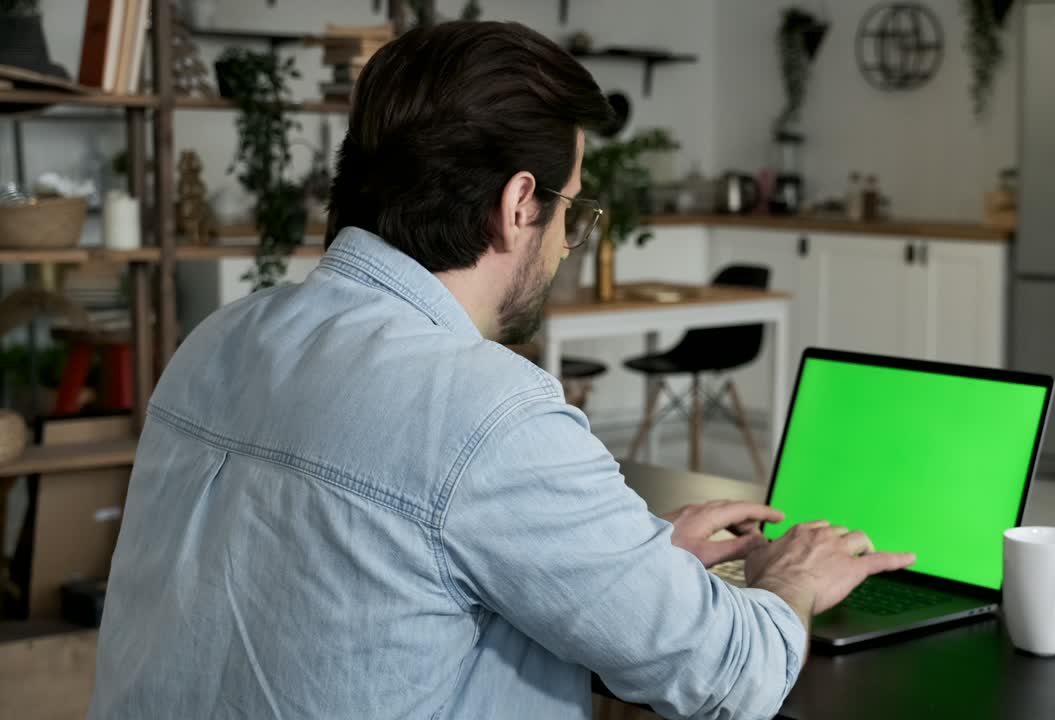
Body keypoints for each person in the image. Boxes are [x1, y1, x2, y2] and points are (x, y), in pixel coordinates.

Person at [89, 21, 914, 720]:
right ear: (521, 204)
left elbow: (366, 566)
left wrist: (634, 558)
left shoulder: (220, 338)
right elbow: (731, 677)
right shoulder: (490, 411)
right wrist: (791, 582)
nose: (563, 243)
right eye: (572, 211)